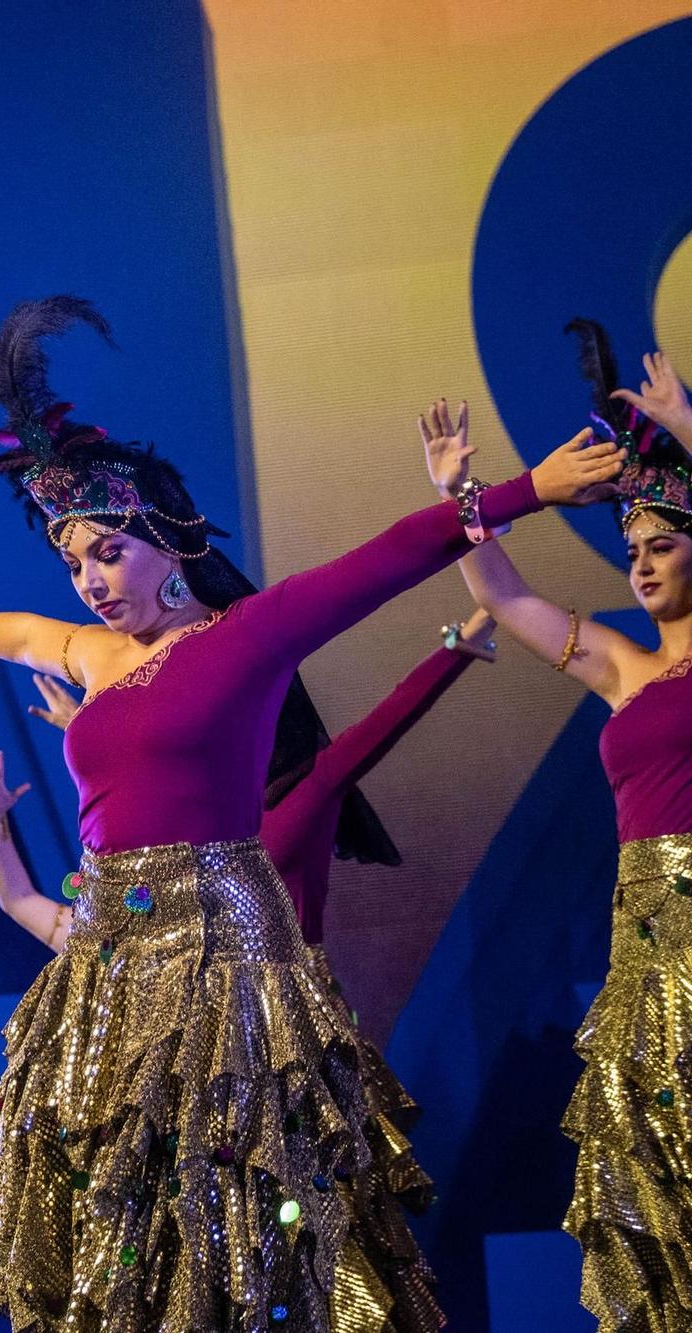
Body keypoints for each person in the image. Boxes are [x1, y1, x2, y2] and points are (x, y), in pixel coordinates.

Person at [0, 295, 618, 1329]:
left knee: (244, 1204)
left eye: (108, 554)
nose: (89, 580)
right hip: (110, 964)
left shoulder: (242, 636)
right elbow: (16, 632)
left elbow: (384, 559)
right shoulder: (96, 655)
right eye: (73, 562)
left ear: (169, 544)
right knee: (124, 1221)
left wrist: (528, 488)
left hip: (222, 956)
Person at [0, 609, 498, 1330]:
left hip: (278, 1035)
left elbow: (376, 729)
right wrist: (101, 724)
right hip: (187, 1020)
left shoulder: (306, 792)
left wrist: (453, 649)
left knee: (296, 1225)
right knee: (177, 1218)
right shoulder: (190, 824)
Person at [421, 329, 692, 1331]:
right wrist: (462, 496)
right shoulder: (621, 664)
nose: (638, 564)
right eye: (629, 550)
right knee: (657, 1184)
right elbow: (500, 594)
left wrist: (685, 430)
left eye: (660, 542)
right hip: (649, 957)